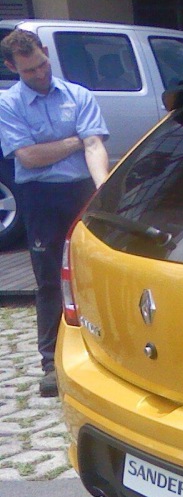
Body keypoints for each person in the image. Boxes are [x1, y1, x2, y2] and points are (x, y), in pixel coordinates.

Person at [0, 29, 110, 397]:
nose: (40, 74)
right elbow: (29, 157)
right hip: (40, 197)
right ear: (12, 67)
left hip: (82, 190)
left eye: (42, 64)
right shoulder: (8, 104)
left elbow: (94, 145)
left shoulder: (78, 95)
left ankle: (105, 349)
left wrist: (103, 190)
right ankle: (50, 362)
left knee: (94, 272)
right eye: (29, 70)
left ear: (46, 53)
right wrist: (74, 140)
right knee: (48, 280)